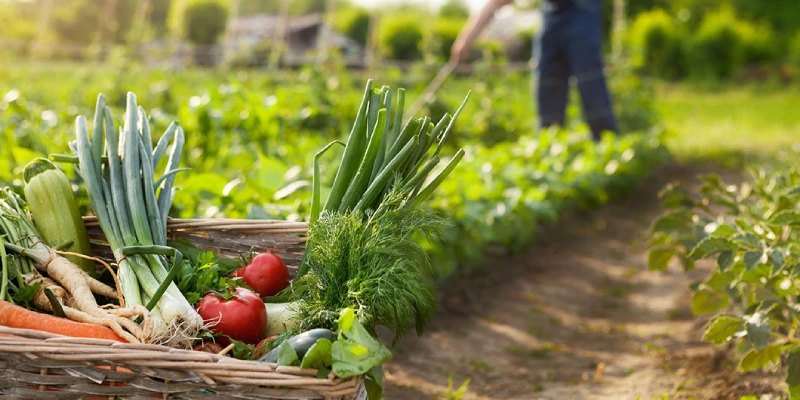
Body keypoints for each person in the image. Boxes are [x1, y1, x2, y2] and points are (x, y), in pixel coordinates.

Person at [450, 0, 619, 140]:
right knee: (547, 83)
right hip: (552, 15)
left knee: (589, 81)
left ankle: (608, 146)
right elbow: (496, 3)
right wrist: (466, 39)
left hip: (582, 11)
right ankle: (550, 147)